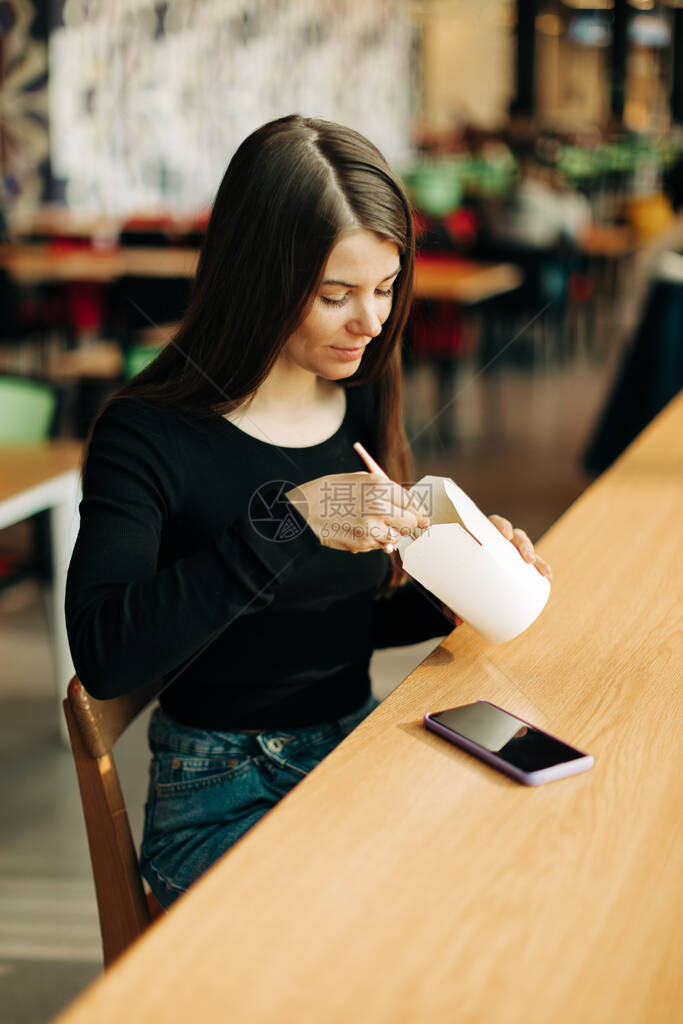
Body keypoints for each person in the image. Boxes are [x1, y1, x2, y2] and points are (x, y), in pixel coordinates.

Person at [65, 114, 552, 909]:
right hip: (221, 790)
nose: (372, 322)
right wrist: (283, 521)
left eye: (386, 289)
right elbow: (107, 656)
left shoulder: (357, 396)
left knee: (505, 874)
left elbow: (344, 617)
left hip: (349, 745)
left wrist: (466, 583)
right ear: (257, 279)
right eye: (336, 295)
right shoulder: (146, 434)